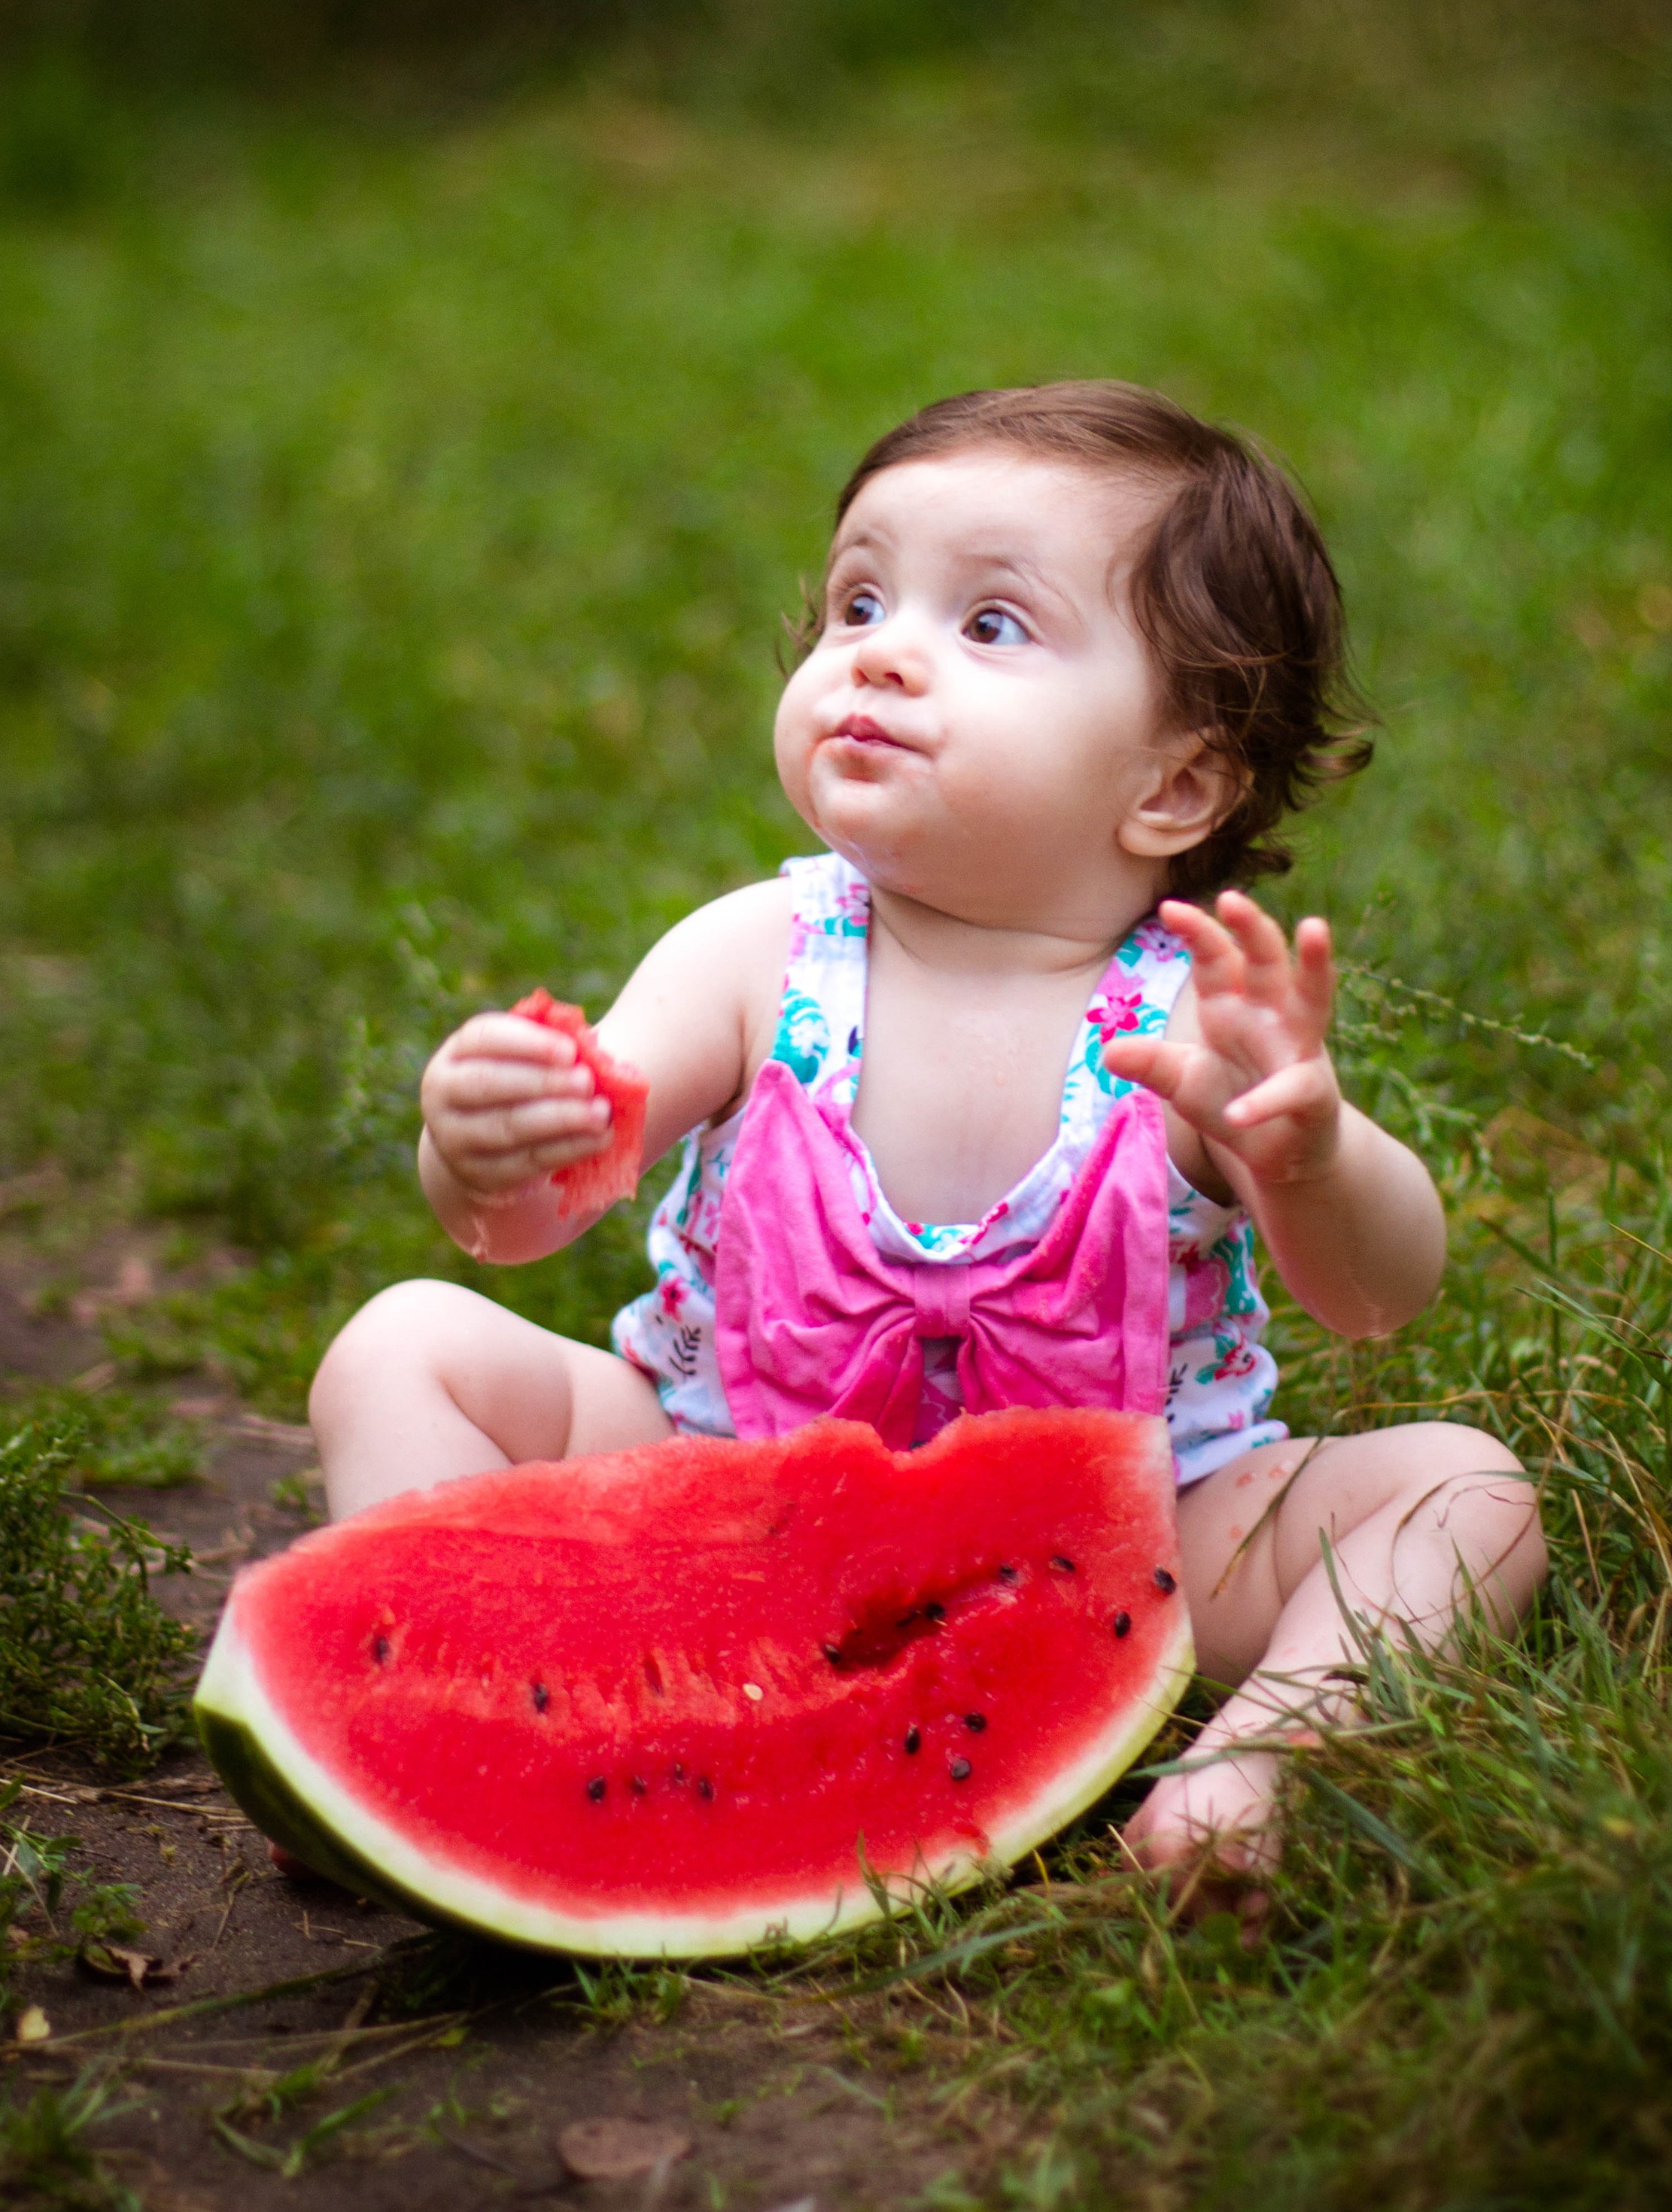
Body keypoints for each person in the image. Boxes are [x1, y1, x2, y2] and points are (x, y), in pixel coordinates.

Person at [309, 382, 1545, 1918]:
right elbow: (522, 1226)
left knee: (1460, 1489)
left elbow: (1380, 1294)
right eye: (858, 600)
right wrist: (489, 1143)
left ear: (1169, 784)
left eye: (990, 626)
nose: (877, 652)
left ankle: (1256, 1770)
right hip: (719, 1492)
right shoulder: (756, 954)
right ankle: (429, 1732)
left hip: (1121, 1545)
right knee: (400, 1343)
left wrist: (1309, 1154)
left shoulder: (1185, 1029)